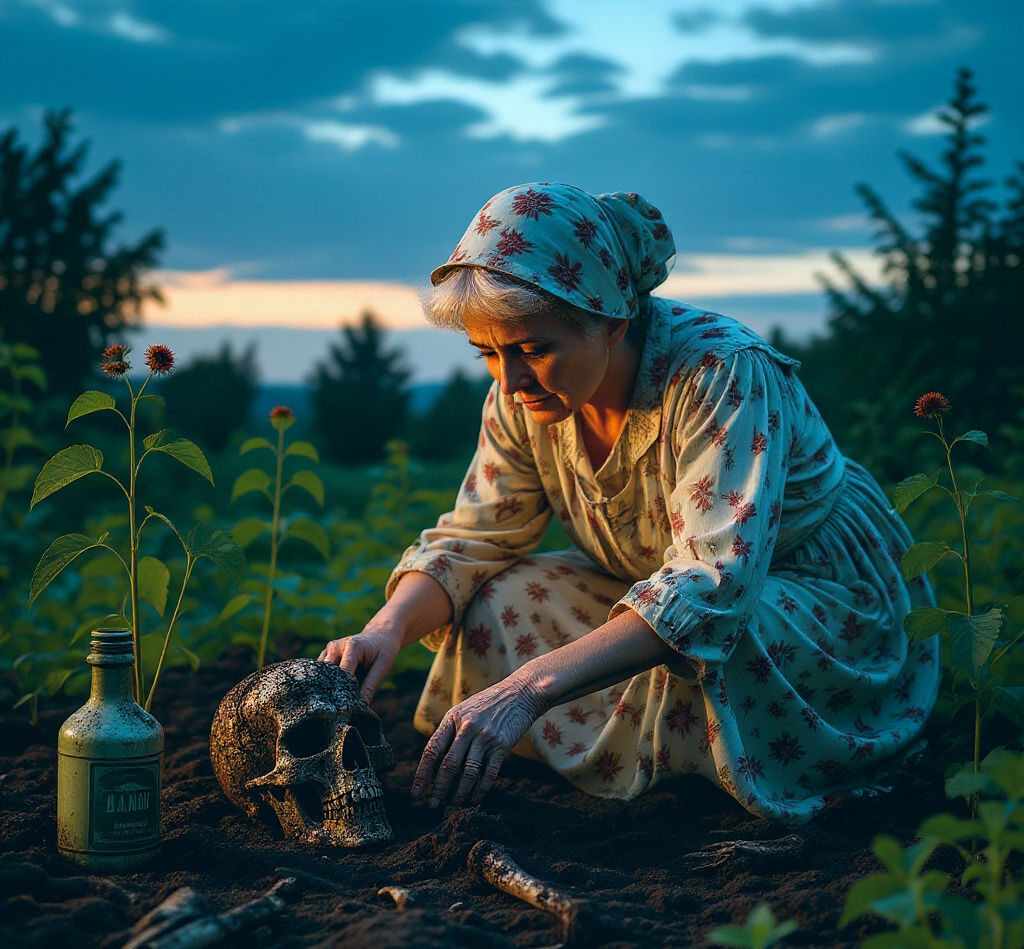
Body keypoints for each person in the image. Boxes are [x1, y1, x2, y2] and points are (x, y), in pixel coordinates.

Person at [318, 182, 939, 824]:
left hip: (805, 591)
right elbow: (477, 535)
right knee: (500, 597)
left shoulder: (721, 373)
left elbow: (711, 585)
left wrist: (526, 690)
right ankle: (634, 762)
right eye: (488, 354)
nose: (511, 380)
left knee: (710, 642)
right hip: (652, 585)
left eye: (534, 349)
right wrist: (384, 628)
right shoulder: (520, 399)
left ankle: (697, 784)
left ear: (611, 322)